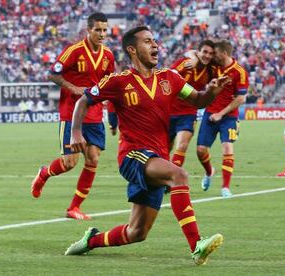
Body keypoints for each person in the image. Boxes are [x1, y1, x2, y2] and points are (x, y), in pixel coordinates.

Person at [65, 26, 229, 265]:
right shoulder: (119, 81)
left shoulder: (170, 78)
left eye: (155, 41)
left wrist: (212, 92)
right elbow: (84, 100)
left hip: (156, 158)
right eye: (147, 42)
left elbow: (198, 99)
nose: (155, 46)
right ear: (132, 49)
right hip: (133, 156)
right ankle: (197, 245)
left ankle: (91, 241)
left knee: (136, 232)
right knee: (179, 174)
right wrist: (76, 131)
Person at [30, 12, 115, 220]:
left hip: (94, 114)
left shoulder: (108, 56)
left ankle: (74, 208)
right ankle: (44, 173)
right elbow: (52, 74)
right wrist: (72, 87)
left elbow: (110, 83)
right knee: (69, 163)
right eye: (98, 30)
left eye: (105, 30)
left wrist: (113, 112)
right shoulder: (74, 51)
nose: (102, 34)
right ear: (88, 30)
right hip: (71, 113)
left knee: (93, 159)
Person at [196, 40, 249, 198]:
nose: (213, 56)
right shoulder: (213, 65)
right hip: (209, 113)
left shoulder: (239, 71)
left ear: (224, 53)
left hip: (229, 117)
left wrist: (221, 113)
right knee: (200, 150)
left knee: (227, 147)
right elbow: (194, 53)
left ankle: (225, 187)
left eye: (216, 53)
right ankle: (209, 171)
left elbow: (241, 98)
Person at [169, 40, 216, 168]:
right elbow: (168, 77)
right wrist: (193, 56)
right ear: (198, 51)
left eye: (211, 53)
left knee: (182, 145)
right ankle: (162, 178)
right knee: (165, 149)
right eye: (204, 52)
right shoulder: (186, 62)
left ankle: (173, 180)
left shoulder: (211, 70)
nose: (207, 55)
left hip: (188, 113)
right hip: (169, 111)